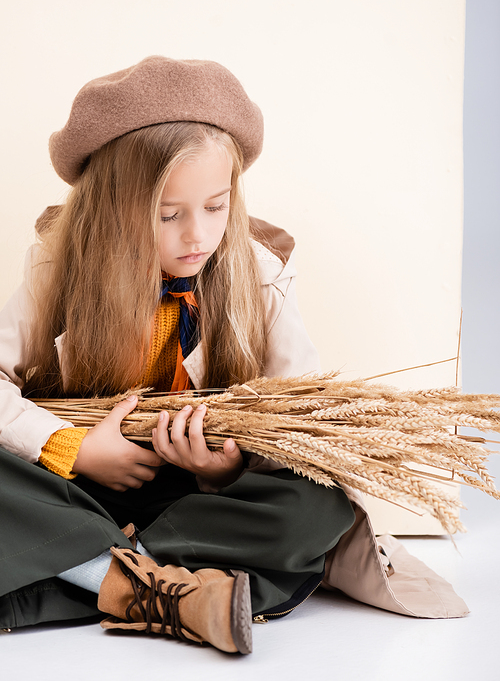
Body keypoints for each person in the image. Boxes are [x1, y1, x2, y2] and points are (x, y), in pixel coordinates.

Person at [0, 56, 469, 653]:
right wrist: (74, 448)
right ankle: (178, 594)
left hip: (196, 503)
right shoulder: (57, 269)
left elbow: (303, 422)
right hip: (82, 488)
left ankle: (92, 572)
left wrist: (226, 469)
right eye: (168, 215)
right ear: (113, 210)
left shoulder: (259, 273)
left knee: (315, 510)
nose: (197, 234)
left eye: (216, 207)